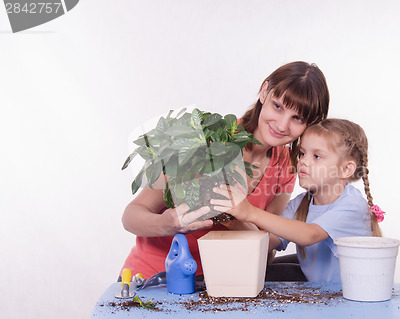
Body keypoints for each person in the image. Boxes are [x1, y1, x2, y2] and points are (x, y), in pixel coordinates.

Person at [120, 61, 330, 279]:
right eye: (278, 106)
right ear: (264, 91)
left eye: (297, 118)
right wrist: (169, 223)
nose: (282, 125)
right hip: (156, 278)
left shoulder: (286, 164)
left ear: (311, 124)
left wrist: (240, 219)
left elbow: (266, 241)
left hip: (219, 285)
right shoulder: (209, 138)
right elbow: (132, 216)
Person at [211, 118, 384, 283]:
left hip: (348, 300)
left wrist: (250, 212)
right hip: (320, 294)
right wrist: (232, 218)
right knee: (263, 272)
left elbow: (309, 234)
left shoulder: (352, 205)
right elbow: (268, 241)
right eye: (302, 153)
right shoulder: (301, 203)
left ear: (346, 169)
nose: (303, 162)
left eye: (316, 156)